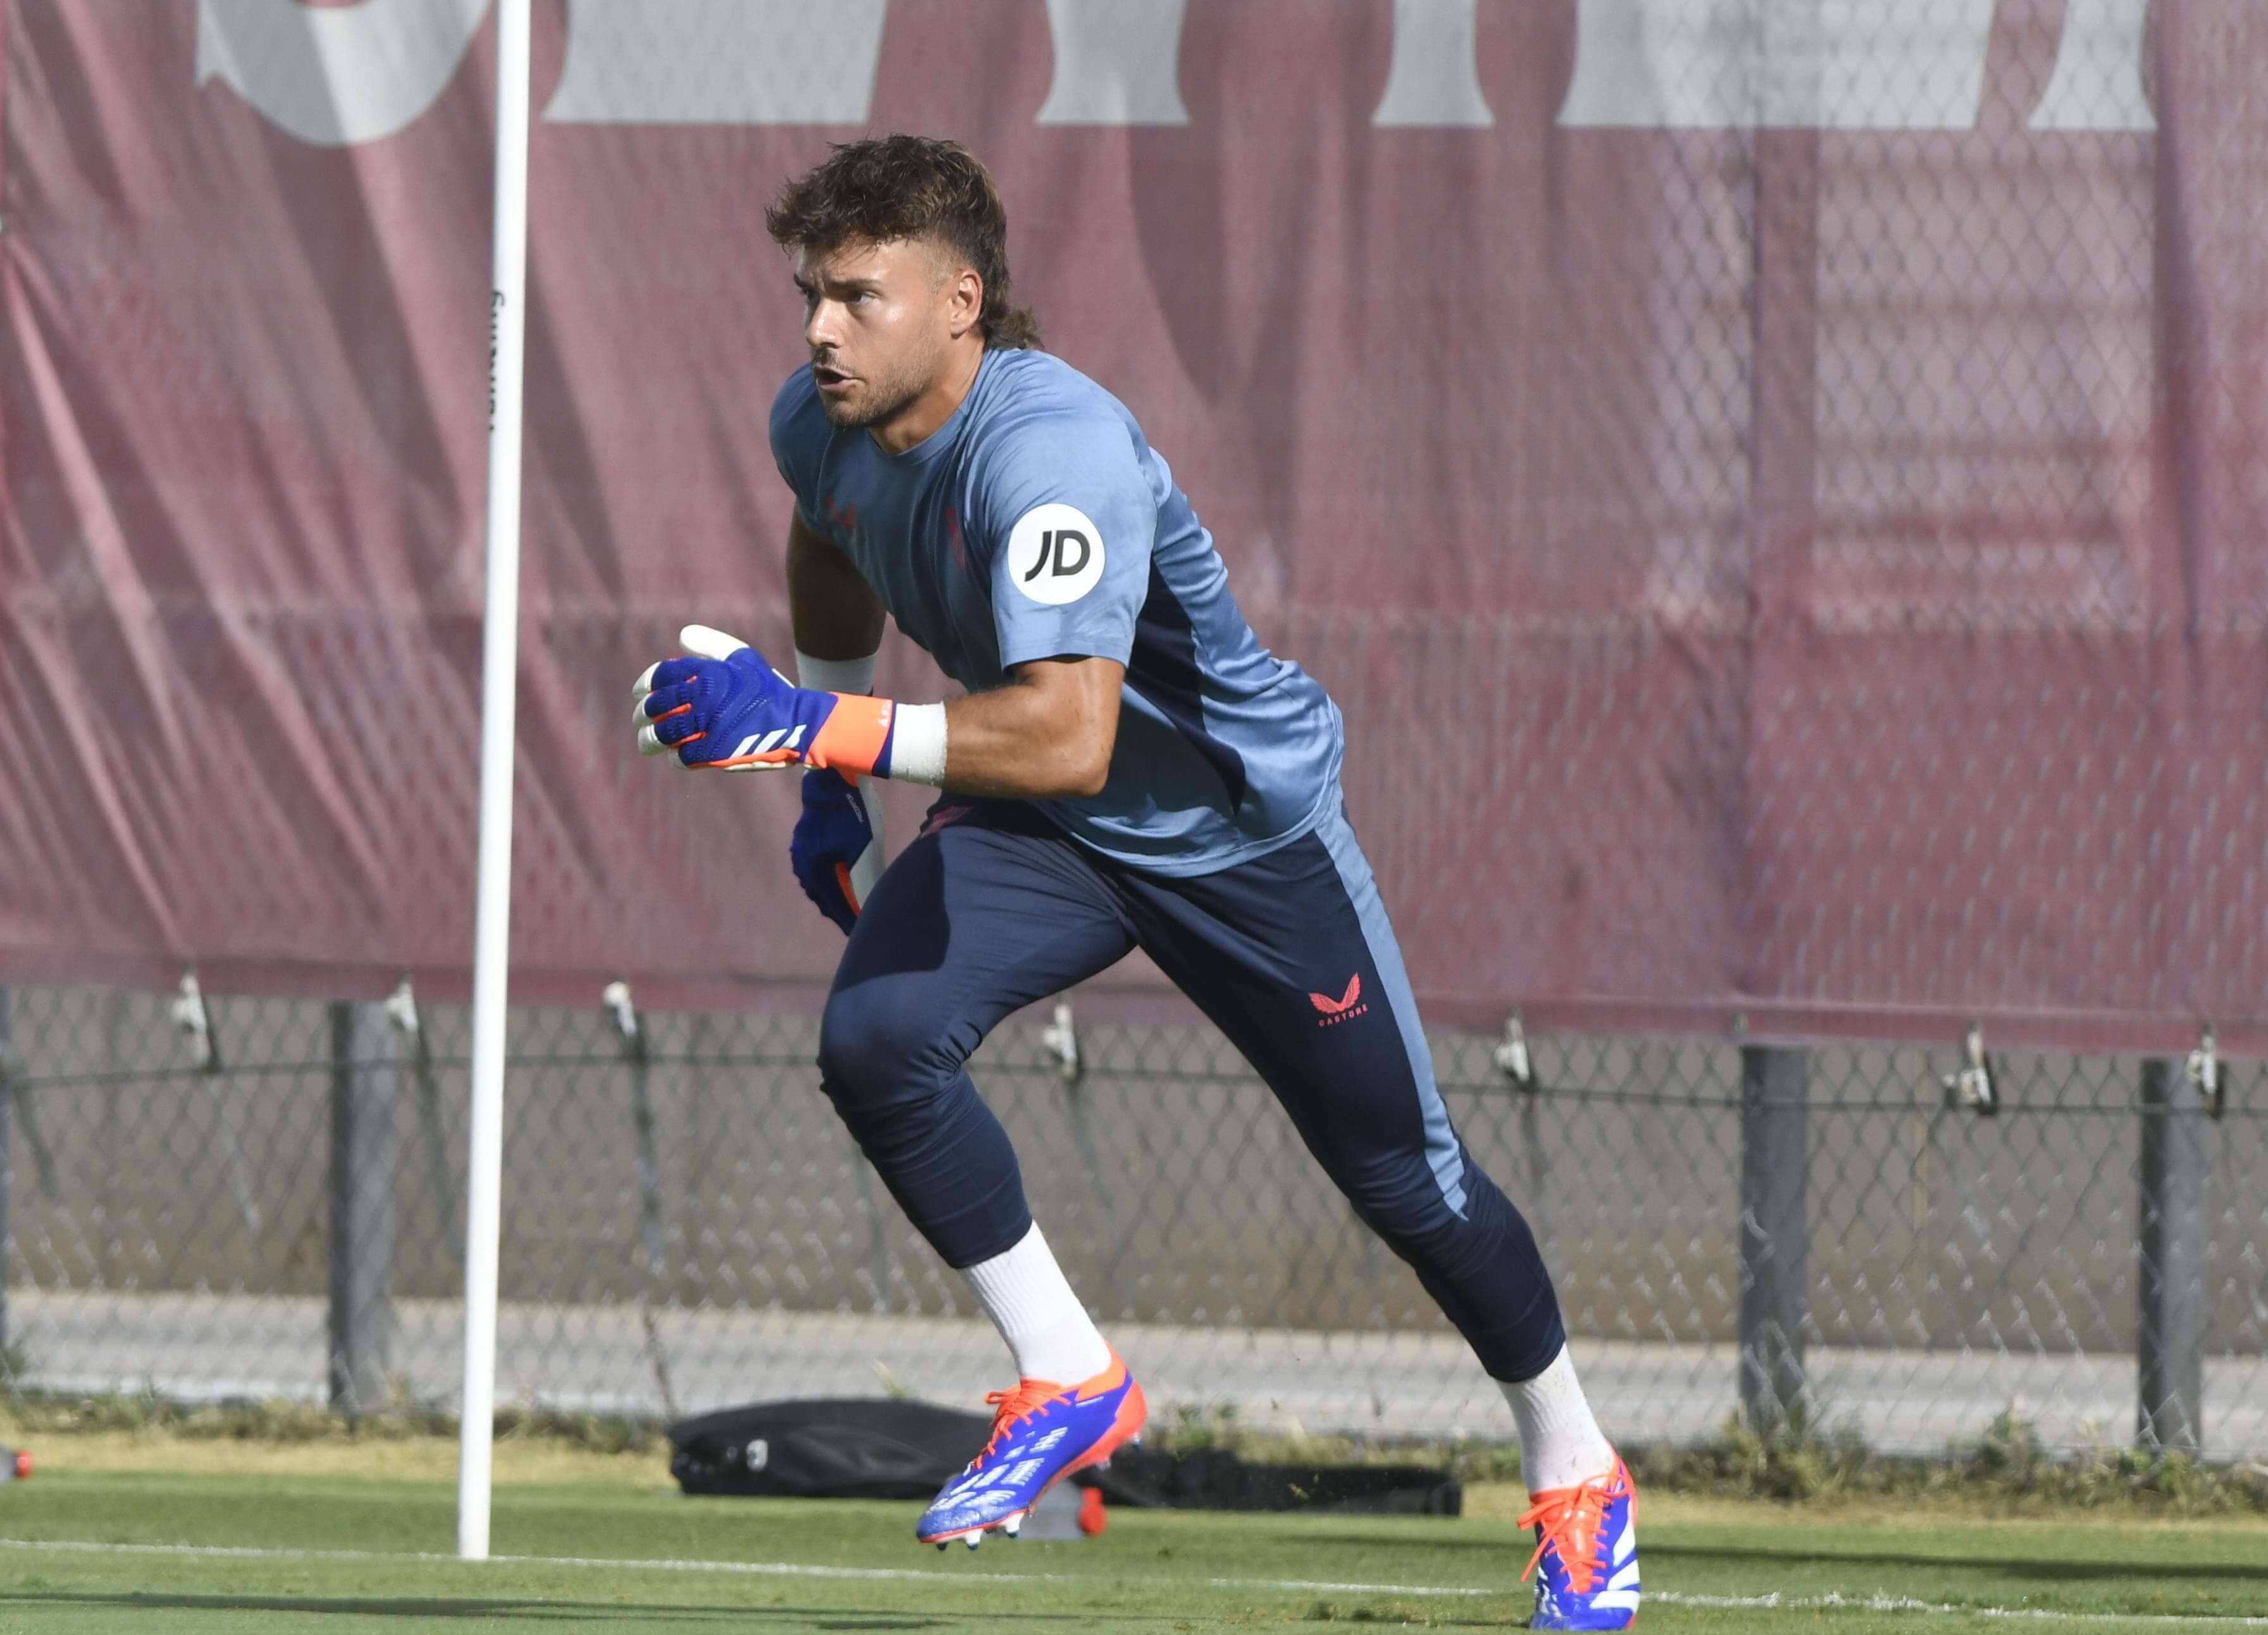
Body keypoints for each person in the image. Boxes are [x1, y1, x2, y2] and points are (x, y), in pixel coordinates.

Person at [631, 134, 1639, 1630]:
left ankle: (1578, 1470)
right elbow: (831, 544)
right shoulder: (822, 423)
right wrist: (832, 770)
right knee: (873, 1042)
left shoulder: (1058, 448)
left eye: (857, 296)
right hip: (1049, 829)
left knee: (1406, 1182)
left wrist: (813, 722)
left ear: (961, 300)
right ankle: (1072, 1370)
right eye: (809, 295)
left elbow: (1070, 727)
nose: (819, 331)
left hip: (1233, 834)